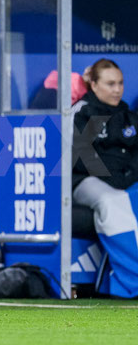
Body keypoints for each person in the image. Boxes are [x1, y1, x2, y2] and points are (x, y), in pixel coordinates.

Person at [72, 58, 138, 298]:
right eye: (110, 84)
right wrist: (117, 182)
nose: (117, 89)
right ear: (94, 85)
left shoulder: (127, 115)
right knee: (114, 202)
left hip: (123, 182)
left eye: (120, 83)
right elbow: (81, 158)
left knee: (125, 198)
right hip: (85, 182)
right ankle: (132, 282)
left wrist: (128, 179)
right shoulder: (84, 112)